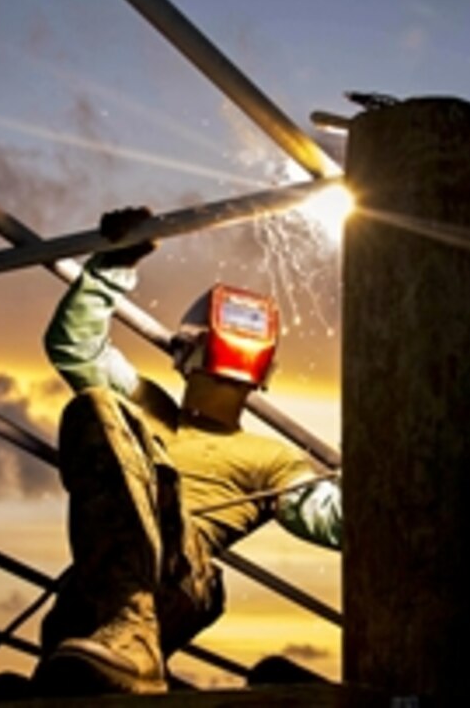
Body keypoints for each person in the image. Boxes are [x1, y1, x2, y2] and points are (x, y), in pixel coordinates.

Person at [31, 206, 342, 697]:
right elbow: (76, 347)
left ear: (184, 350)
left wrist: (375, 468)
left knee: (102, 411)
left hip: (175, 580)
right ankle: (116, 656)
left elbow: (339, 521)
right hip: (88, 591)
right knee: (95, 407)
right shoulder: (144, 406)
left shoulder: (273, 461)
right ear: (266, 373)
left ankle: (135, 638)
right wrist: (115, 263)